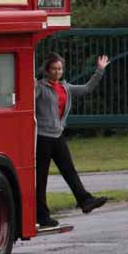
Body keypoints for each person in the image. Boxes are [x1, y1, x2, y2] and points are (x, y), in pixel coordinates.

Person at [35, 53, 111, 228]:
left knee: (70, 171)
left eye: (59, 68)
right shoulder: (40, 87)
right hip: (42, 138)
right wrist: (30, 87)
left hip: (57, 135)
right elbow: (29, 101)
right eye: (53, 69)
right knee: (41, 178)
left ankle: (85, 201)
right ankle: (42, 215)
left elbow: (86, 89)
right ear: (47, 70)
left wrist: (99, 70)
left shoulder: (65, 87)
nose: (57, 72)